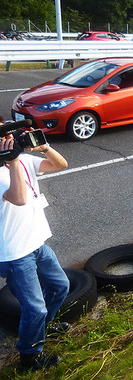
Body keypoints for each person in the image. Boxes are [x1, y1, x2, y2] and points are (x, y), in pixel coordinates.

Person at [0, 119, 70, 371]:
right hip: (14, 254)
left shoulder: (24, 159)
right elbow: (18, 198)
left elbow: (60, 164)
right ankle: (29, 356)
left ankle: (44, 326)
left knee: (60, 285)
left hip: (36, 242)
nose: (9, 138)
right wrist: (13, 160)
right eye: (3, 136)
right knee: (34, 307)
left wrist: (43, 146)